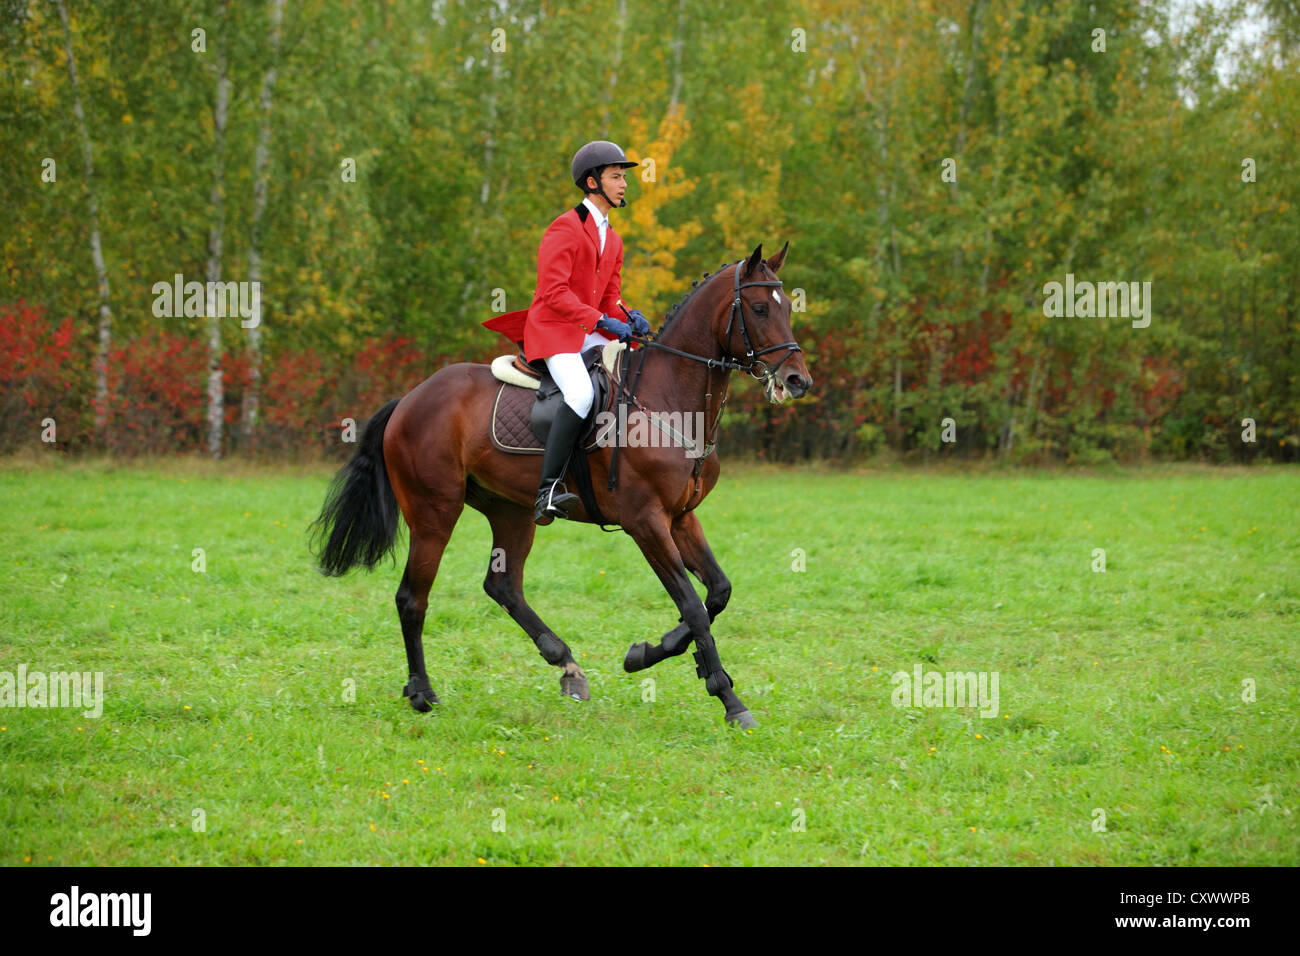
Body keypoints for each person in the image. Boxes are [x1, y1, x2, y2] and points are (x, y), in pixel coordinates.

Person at [522, 140, 651, 525]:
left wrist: (629, 316)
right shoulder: (565, 227)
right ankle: (547, 491)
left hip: (589, 330)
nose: (623, 184)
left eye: (623, 177)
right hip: (555, 330)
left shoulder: (613, 238)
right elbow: (553, 291)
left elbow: (610, 297)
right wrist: (600, 321)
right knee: (579, 394)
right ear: (592, 182)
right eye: (615, 177)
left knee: (638, 376)